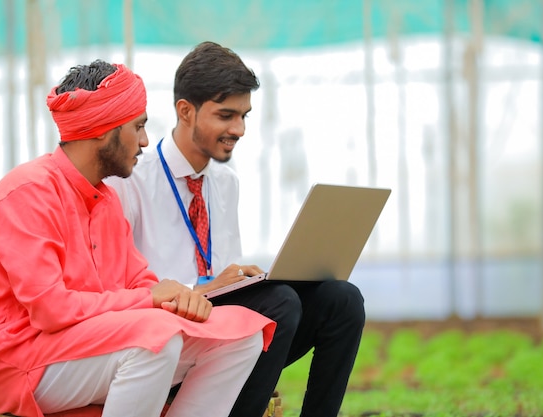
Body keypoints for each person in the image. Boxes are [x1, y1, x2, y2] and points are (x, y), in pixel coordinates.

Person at [0, 59, 276, 417]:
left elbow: (140, 282)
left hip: (89, 344)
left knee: (240, 336)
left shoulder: (104, 199)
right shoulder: (26, 194)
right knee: (154, 341)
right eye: (137, 127)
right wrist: (150, 301)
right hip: (19, 359)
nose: (144, 140)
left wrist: (182, 299)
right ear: (101, 131)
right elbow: (51, 311)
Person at [106, 42, 366, 417]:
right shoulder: (131, 182)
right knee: (280, 304)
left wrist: (244, 280)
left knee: (341, 299)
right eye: (226, 115)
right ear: (185, 111)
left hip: (221, 323)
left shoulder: (225, 183)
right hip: (166, 336)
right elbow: (122, 287)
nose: (239, 129)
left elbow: (223, 270)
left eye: (244, 116)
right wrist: (200, 290)